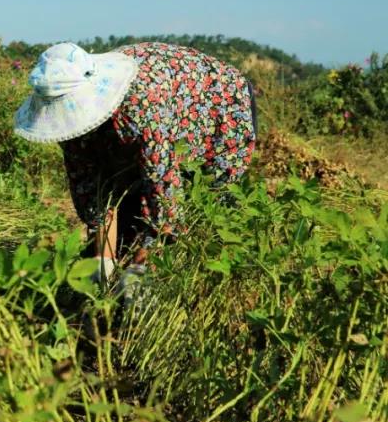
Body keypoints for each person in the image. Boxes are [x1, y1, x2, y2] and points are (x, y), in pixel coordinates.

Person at [14, 42, 256, 285]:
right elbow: (91, 183)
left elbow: (161, 186)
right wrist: (103, 260)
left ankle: (215, 282)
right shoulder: (71, 128)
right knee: (124, 234)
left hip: (214, 98)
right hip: (161, 102)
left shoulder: (141, 104)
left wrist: (142, 265)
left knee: (208, 201)